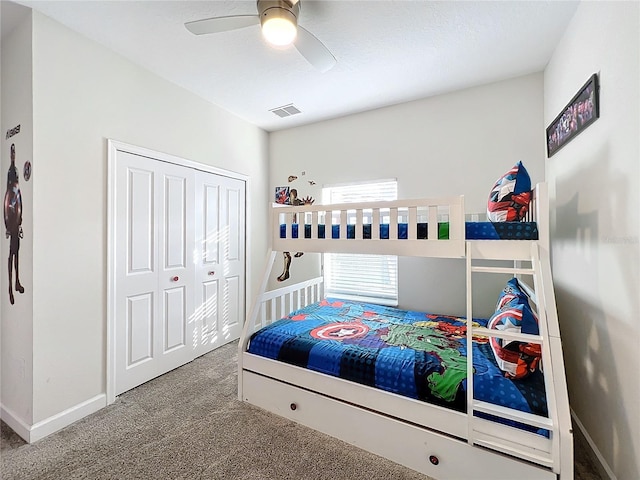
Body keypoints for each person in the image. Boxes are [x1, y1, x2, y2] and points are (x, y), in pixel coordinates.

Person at [277, 189, 314, 282]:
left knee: (296, 233)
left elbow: (307, 206)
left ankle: (299, 249)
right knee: (286, 247)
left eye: (294, 194)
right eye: (291, 195)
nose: (293, 196)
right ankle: (286, 270)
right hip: (291, 227)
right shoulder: (287, 204)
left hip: (295, 227)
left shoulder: (298, 202)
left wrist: (307, 205)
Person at [4, 144, 24, 304]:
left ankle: (17, 281)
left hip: (17, 225)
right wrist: (7, 226)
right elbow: (6, 205)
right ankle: (10, 287)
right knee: (11, 255)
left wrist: (20, 221)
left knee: (17, 254)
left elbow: (20, 204)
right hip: (12, 225)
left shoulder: (17, 187)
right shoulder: (9, 189)